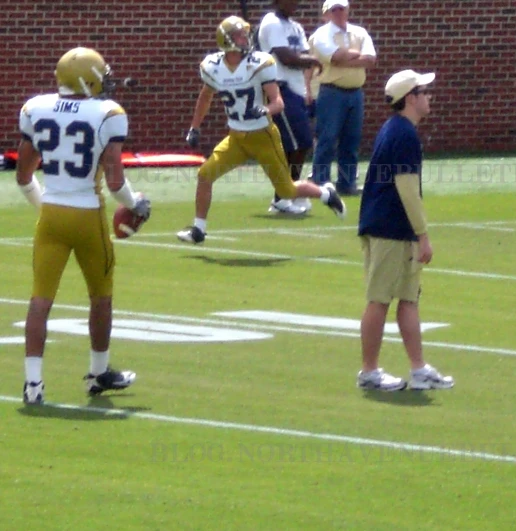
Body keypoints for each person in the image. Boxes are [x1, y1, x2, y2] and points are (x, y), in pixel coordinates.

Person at [16, 47, 151, 404]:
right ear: (85, 78)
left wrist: (45, 206)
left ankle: (33, 385)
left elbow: (23, 174)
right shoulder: (108, 113)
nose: (106, 81)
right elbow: (116, 181)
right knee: (101, 298)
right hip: (88, 214)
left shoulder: (36, 108)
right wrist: (137, 204)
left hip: (52, 215)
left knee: (40, 300)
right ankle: (98, 373)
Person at [178, 16, 346, 245]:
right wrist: (194, 127)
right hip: (236, 138)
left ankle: (326, 193)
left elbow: (279, 102)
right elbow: (205, 97)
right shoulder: (213, 67)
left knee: (286, 190)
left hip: (263, 136)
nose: (245, 39)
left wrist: (265, 109)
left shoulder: (259, 63)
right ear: (227, 40)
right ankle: (198, 230)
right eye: (239, 35)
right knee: (205, 175)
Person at [356, 70, 453, 392]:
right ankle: (369, 371)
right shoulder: (404, 135)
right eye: (424, 91)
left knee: (409, 300)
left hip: (394, 228)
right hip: (390, 229)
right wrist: (423, 234)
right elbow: (407, 188)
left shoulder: (397, 130)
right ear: (410, 97)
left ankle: (419, 368)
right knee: (379, 300)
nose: (430, 97)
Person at [258, 0, 323, 215]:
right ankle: (283, 195)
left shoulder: (296, 27)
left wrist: (306, 88)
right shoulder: (271, 22)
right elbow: (286, 58)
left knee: (297, 145)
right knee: (300, 142)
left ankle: (287, 192)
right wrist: (312, 60)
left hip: (296, 91)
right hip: (280, 89)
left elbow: (302, 56)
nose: (295, 3)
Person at [309, 0, 377, 195]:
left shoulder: (360, 32)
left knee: (351, 140)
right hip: (332, 92)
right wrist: (356, 57)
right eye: (334, 9)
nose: (338, 12)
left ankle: (347, 183)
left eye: (341, 9)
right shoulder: (322, 34)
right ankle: (320, 182)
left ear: (348, 10)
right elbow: (334, 57)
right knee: (327, 139)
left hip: (355, 92)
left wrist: (346, 58)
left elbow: (371, 59)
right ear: (329, 12)